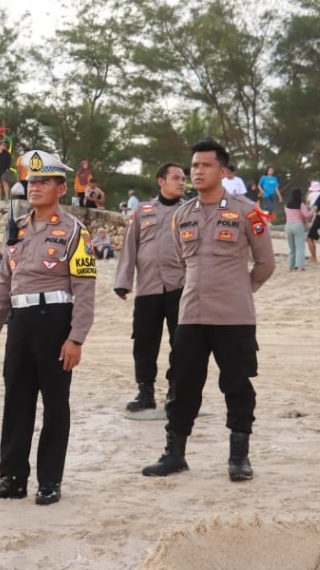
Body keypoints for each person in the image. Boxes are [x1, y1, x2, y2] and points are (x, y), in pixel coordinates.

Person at [0, 150, 95, 506]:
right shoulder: (18, 229)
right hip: (20, 324)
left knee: (55, 404)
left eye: (44, 181)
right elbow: (5, 280)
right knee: (16, 402)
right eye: (32, 181)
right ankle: (12, 478)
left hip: (55, 323)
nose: (35, 187)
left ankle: (50, 480)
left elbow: (84, 289)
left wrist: (76, 337)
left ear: (61, 187)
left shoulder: (74, 232)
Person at [142, 139, 274, 483]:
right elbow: (180, 262)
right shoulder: (181, 215)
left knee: (237, 385)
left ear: (223, 171)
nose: (197, 171)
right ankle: (175, 454)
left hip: (234, 316)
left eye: (205, 165)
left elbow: (265, 263)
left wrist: (241, 289)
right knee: (182, 384)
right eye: (194, 166)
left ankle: (238, 457)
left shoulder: (249, 212)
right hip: (191, 315)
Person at [114, 163, 187, 411]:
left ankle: (177, 391)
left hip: (181, 287)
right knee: (144, 341)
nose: (182, 182)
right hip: (148, 287)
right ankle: (145, 392)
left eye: (183, 178)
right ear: (160, 181)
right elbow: (130, 246)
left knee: (183, 342)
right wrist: (123, 282)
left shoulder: (189, 211)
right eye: (176, 178)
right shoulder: (142, 211)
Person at [284, 188, 312, 271]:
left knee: (292, 248)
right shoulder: (301, 204)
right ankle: (299, 266)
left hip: (288, 225)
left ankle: (291, 266)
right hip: (298, 225)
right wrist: (313, 210)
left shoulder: (287, 204)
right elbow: (306, 215)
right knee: (300, 247)